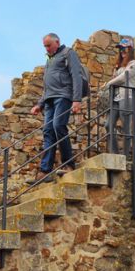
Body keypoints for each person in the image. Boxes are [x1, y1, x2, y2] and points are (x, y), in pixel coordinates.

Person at [29, 33, 85, 181]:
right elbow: (47, 86)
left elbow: (76, 76)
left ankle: (69, 164)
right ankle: (45, 169)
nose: (46, 49)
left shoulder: (68, 53)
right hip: (49, 100)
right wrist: (40, 104)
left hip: (63, 96)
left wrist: (77, 99)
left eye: (49, 45)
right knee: (48, 131)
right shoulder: (49, 59)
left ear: (57, 42)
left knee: (58, 126)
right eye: (45, 46)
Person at [102, 38, 135, 154]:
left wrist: (109, 83)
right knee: (108, 125)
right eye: (121, 48)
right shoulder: (118, 65)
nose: (122, 51)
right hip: (115, 98)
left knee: (126, 126)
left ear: (130, 49)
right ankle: (115, 153)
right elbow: (116, 79)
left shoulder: (134, 63)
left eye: (124, 48)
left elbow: (124, 77)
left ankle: (127, 154)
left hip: (127, 96)